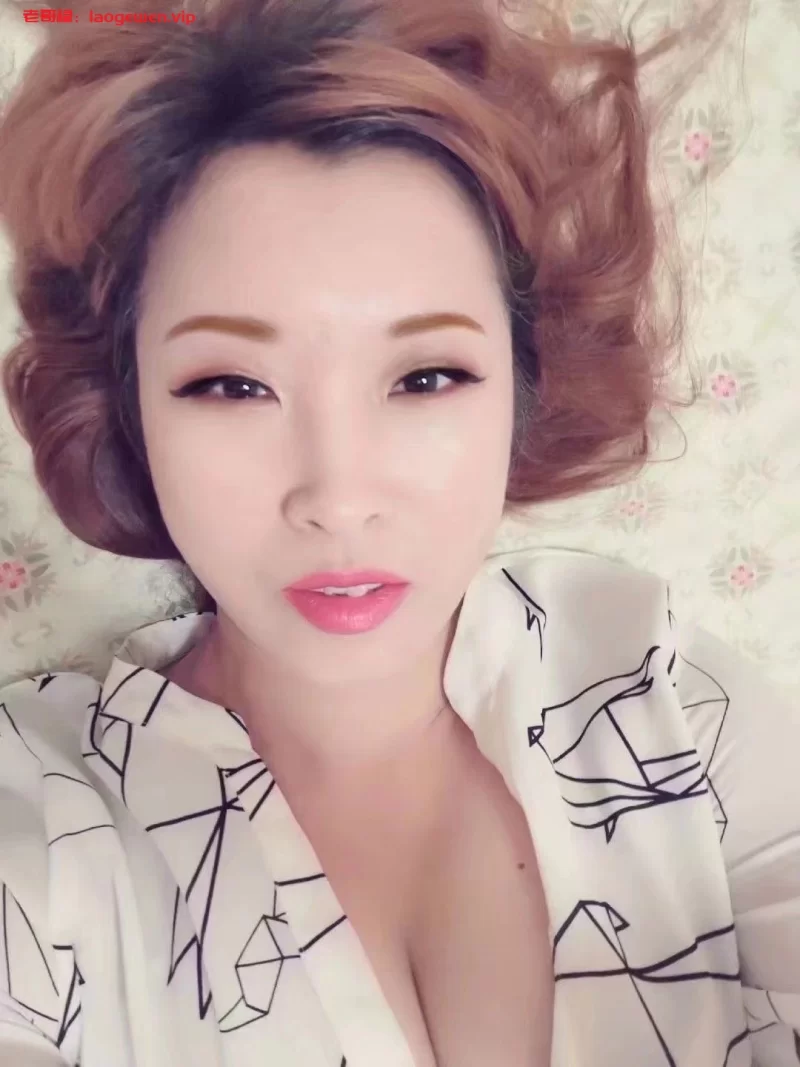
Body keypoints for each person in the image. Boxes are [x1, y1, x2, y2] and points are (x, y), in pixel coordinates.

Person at [0, 0, 797, 1063]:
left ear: (524, 382)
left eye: (425, 376)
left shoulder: (674, 713)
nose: (339, 496)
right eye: (231, 384)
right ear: (129, 408)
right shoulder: (42, 821)